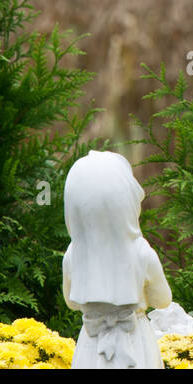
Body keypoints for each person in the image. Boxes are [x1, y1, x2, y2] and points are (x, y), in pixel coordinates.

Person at [63, 150, 171, 369]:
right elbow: (163, 300)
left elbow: (71, 302)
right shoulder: (141, 252)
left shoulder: (73, 254)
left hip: (90, 347)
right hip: (136, 341)